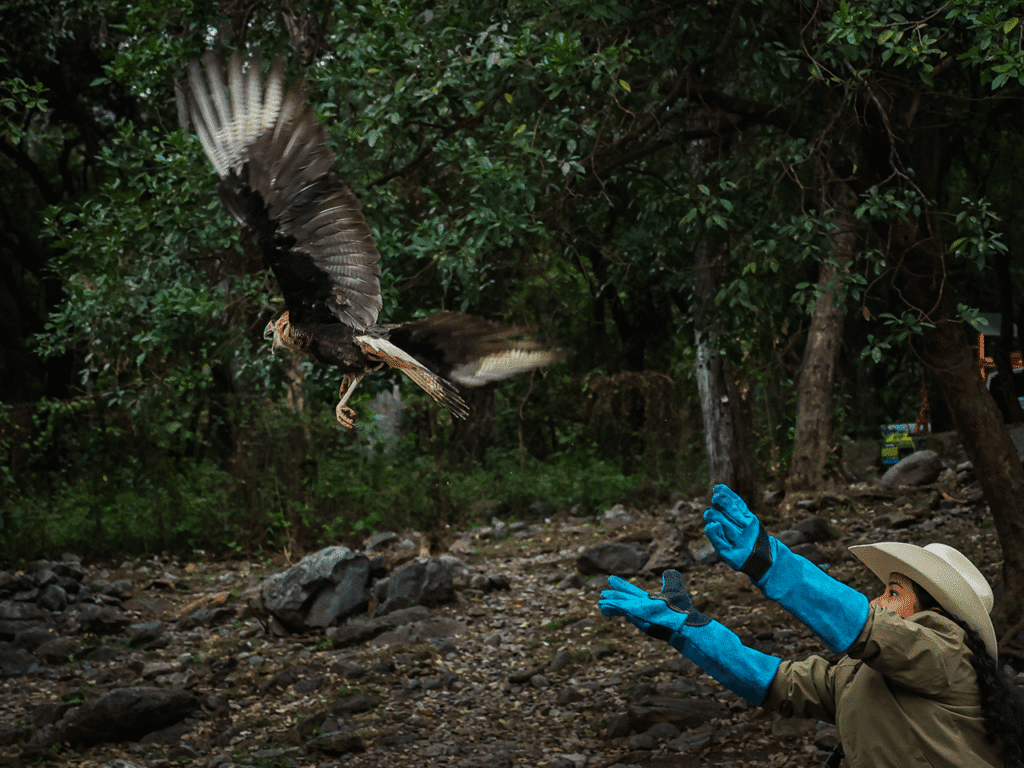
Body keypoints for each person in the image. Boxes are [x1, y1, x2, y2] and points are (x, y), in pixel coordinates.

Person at [599, 484, 1024, 768]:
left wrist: (768, 561)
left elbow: (862, 623)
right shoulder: (858, 675)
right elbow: (775, 682)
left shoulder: (948, 654)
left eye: (894, 593)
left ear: (935, 612)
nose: (878, 599)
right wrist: (684, 629)